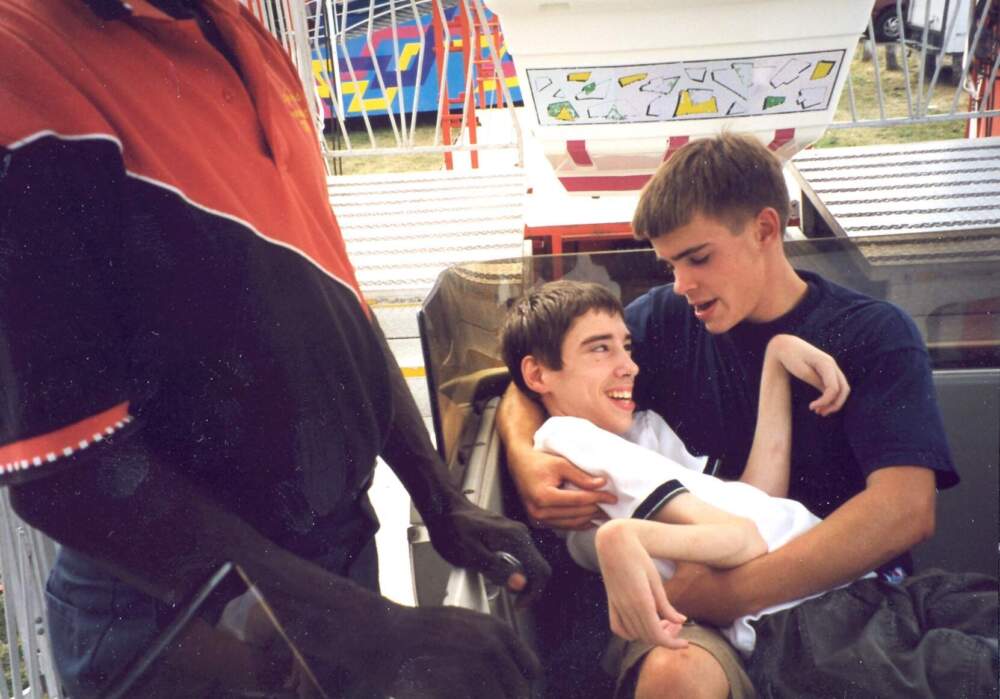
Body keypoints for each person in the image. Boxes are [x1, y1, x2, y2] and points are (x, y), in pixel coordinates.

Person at [0, 1, 548, 697]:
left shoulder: (241, 32)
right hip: (183, 621)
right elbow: (68, 477)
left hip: (328, 574)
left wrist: (441, 497)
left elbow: (337, 296)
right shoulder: (21, 56)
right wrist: (369, 634)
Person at [496, 134, 998, 698]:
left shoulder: (873, 333)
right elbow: (533, 381)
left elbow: (903, 512)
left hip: (832, 592)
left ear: (764, 229)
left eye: (699, 258)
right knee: (675, 671)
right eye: (670, 265)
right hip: (703, 605)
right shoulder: (662, 321)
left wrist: (732, 592)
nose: (683, 284)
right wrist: (523, 457)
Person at [500, 280, 859, 655]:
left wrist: (776, 361)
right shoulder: (568, 438)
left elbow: (754, 502)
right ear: (538, 376)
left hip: (818, 594)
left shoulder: (645, 428)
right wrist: (622, 537)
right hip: (811, 608)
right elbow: (744, 535)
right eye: (600, 349)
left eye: (626, 346)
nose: (630, 366)